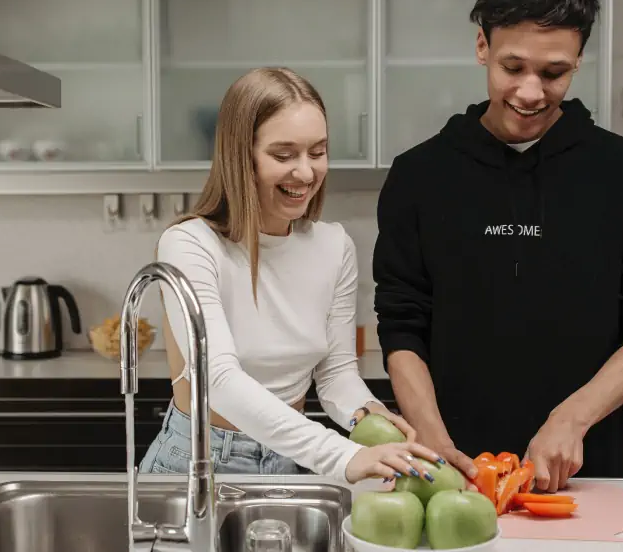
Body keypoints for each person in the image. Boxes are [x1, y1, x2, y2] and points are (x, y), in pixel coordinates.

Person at [373, 0, 623, 493]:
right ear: (482, 47)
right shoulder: (419, 175)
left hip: (583, 476)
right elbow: (401, 324)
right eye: (512, 67)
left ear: (579, 60)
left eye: (553, 72)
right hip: (453, 477)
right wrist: (432, 435)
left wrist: (573, 419)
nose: (531, 92)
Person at [139, 67, 444, 484]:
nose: (306, 173)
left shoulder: (334, 246)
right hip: (197, 462)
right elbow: (219, 381)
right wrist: (342, 455)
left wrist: (367, 414)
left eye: (317, 152)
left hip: (287, 460)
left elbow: (336, 376)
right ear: (240, 156)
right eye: (284, 155)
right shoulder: (189, 245)